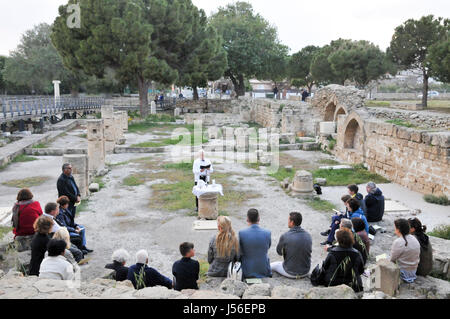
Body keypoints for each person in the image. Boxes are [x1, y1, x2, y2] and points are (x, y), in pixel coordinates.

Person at [320, 228, 365, 292]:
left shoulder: (333, 252)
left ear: (338, 240)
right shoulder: (357, 253)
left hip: (333, 283)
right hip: (353, 284)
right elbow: (361, 270)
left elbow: (325, 267)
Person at [271, 212, 312, 278]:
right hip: (306, 271)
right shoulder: (308, 235)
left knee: (272, 265)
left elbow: (279, 252)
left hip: (290, 272)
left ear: (292, 222)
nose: (288, 222)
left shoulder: (285, 236)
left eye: (288, 220)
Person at [239, 209, 272, 279]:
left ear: (247, 219)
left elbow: (239, 251)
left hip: (247, 271)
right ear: (259, 219)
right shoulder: (267, 233)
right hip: (264, 270)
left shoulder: (241, 233)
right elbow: (267, 247)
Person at [390, 219, 421, 283]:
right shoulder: (414, 239)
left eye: (395, 228)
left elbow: (392, 259)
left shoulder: (398, 242)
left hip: (403, 273)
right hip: (413, 271)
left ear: (398, 230)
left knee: (380, 263)